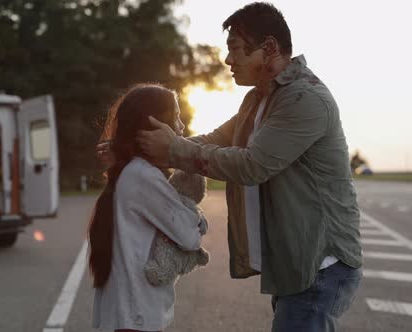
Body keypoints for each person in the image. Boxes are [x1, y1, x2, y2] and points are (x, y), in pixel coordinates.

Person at [99, 3, 362, 331]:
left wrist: (171, 150)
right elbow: (214, 140)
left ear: (268, 48)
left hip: (320, 264)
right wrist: (133, 148)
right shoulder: (258, 100)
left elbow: (252, 165)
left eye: (235, 49)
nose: (228, 60)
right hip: (298, 263)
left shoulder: (304, 99)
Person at [89, 83, 203, 332]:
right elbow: (190, 234)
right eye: (176, 117)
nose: (182, 127)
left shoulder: (131, 171)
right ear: (154, 126)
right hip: (136, 314)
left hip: (127, 311)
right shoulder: (143, 176)